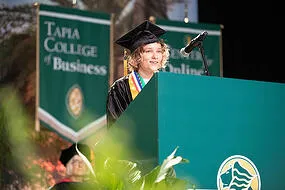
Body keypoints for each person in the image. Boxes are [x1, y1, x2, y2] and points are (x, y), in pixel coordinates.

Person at [106, 20, 170, 128]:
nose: (155, 56)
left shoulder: (167, 85)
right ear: (137, 56)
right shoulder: (121, 88)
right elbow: (116, 129)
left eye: (159, 51)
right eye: (149, 51)